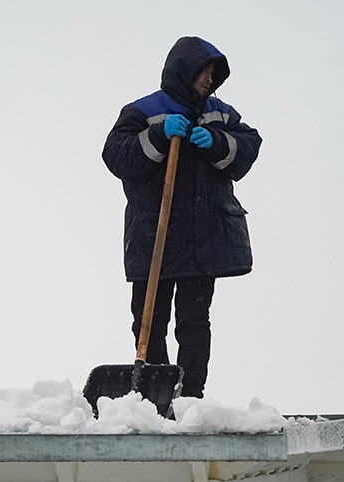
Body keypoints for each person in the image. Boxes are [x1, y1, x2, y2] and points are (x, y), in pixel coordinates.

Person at [102, 36, 261, 399]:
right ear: (184, 71)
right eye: (204, 71)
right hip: (153, 239)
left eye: (212, 72)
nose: (209, 78)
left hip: (202, 243)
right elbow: (115, 155)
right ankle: (156, 391)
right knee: (149, 320)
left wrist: (219, 142)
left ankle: (190, 394)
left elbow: (249, 146)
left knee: (194, 322)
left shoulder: (221, 113)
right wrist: (158, 135)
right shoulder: (144, 111)